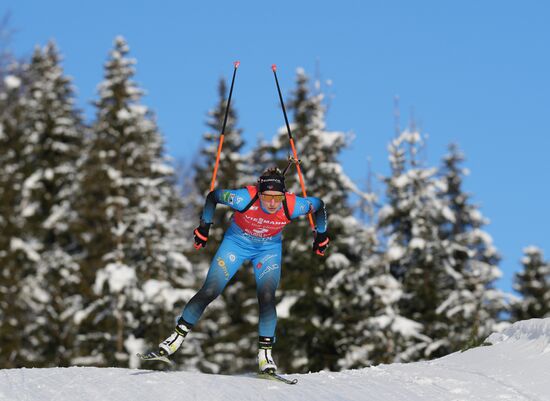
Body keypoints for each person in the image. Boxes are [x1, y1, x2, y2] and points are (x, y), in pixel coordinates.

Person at [143, 167, 329, 373]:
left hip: (268, 250)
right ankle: (174, 340)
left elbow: (319, 206)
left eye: (278, 197)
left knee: (266, 296)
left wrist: (321, 235)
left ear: (284, 195)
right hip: (236, 245)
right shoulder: (243, 198)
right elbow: (213, 196)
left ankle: (265, 357)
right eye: (267, 197)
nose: (273, 203)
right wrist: (204, 228)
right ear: (259, 194)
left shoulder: (294, 205)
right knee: (210, 290)